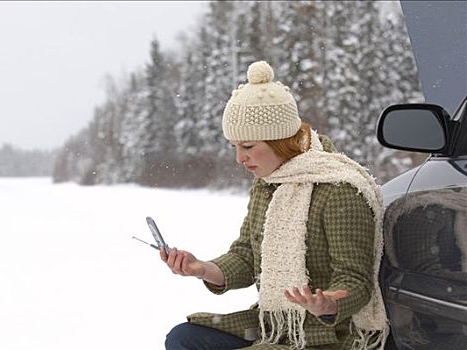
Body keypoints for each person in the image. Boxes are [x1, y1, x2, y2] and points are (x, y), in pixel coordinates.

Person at [161, 61, 389, 349]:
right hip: (276, 325)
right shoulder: (268, 184)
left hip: (327, 335)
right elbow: (246, 256)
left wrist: (327, 303)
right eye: (234, 147)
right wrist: (202, 268)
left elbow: (356, 281)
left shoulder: (338, 189)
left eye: (248, 146)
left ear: (281, 141)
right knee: (183, 338)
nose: (239, 159)